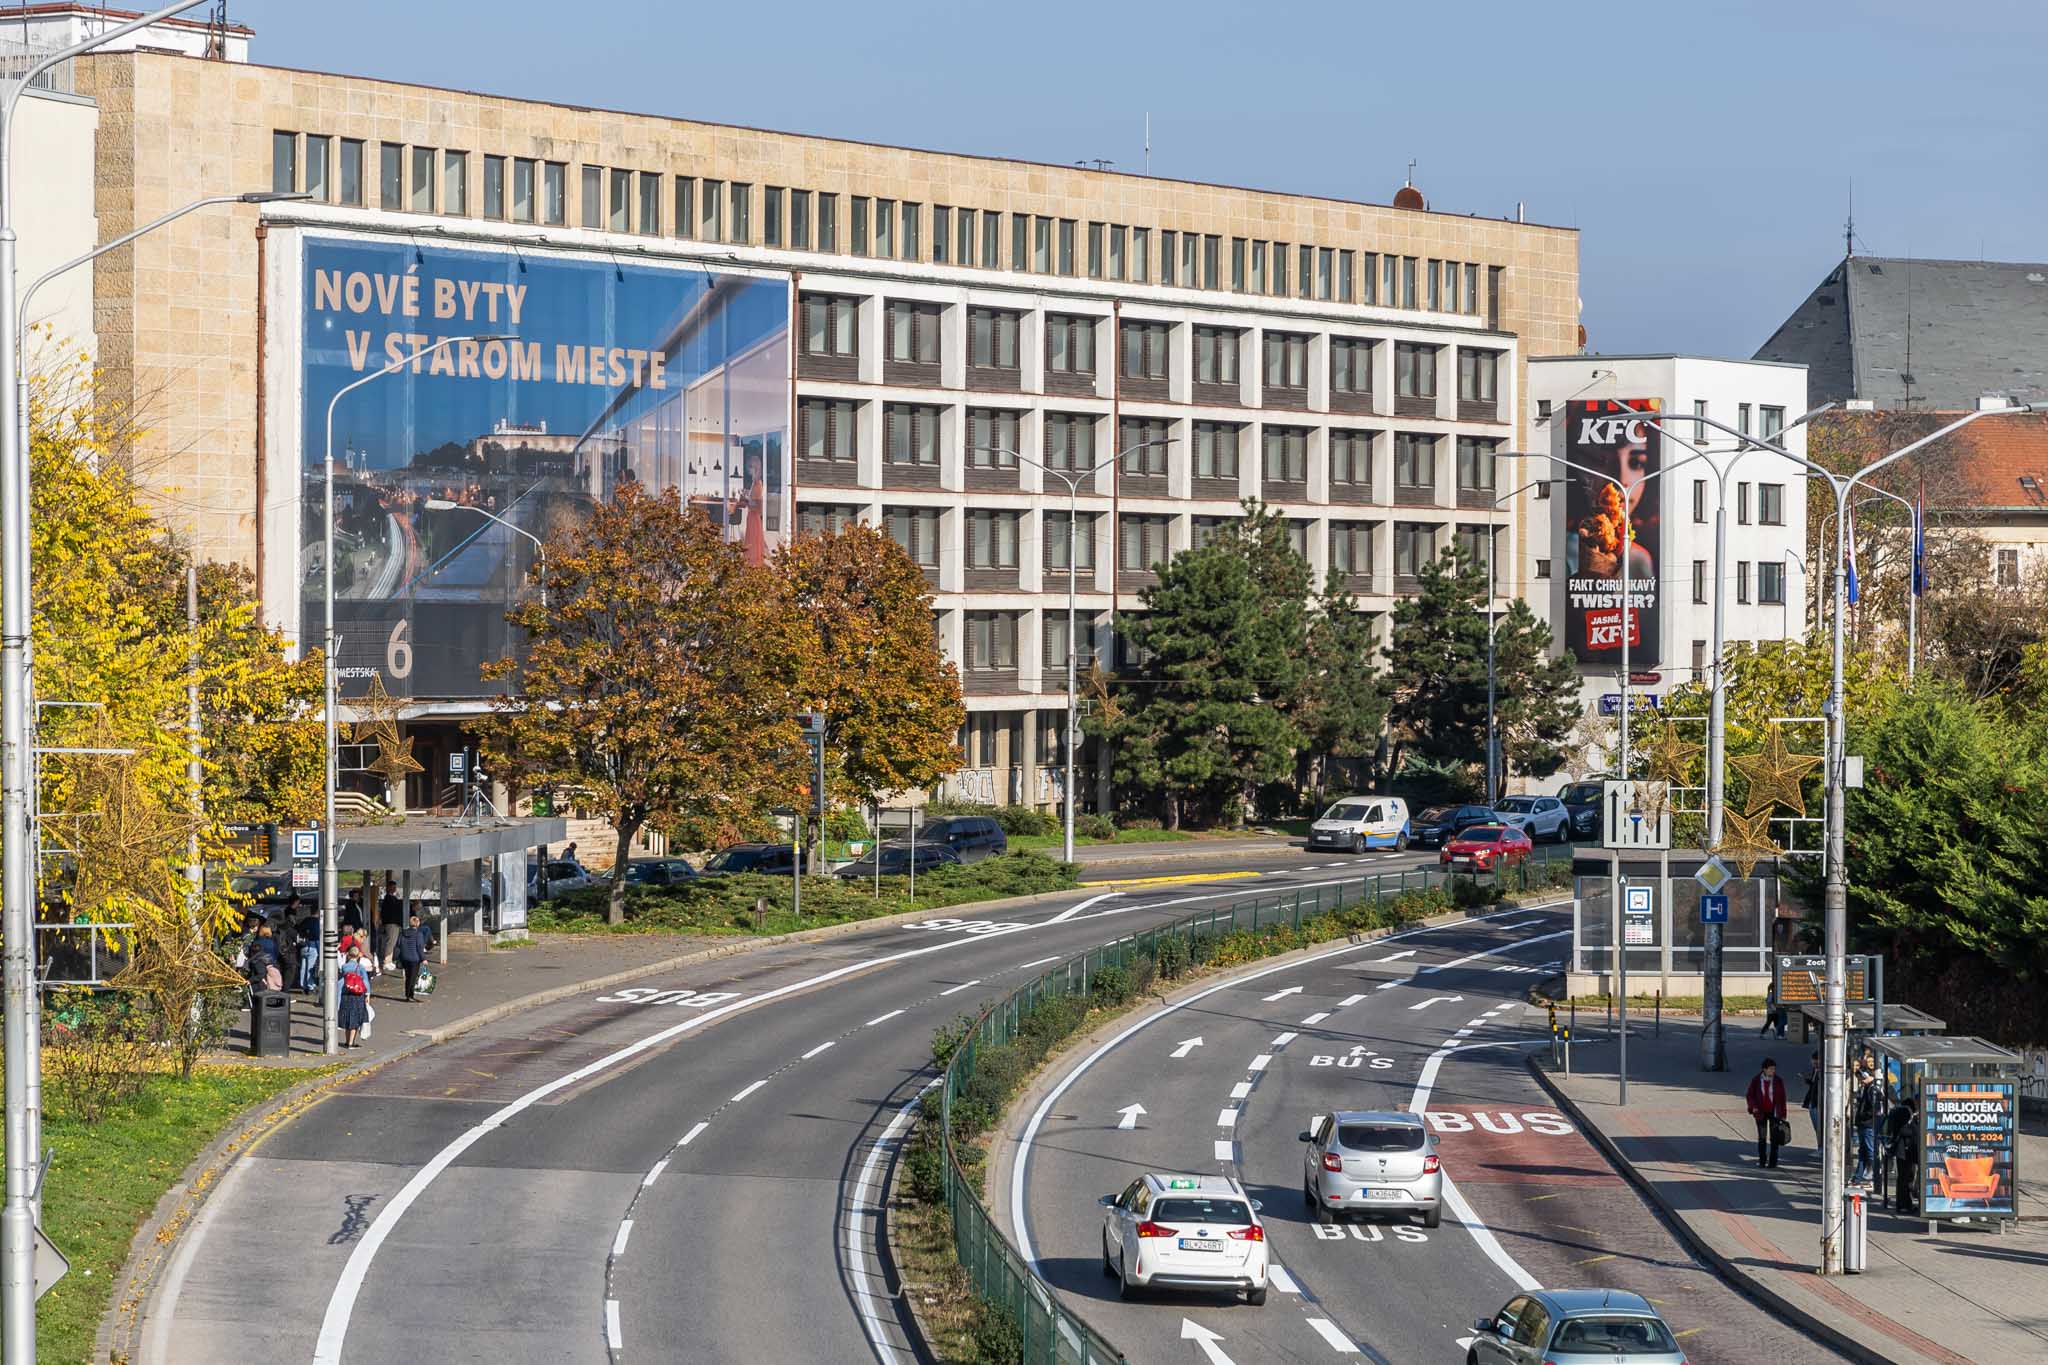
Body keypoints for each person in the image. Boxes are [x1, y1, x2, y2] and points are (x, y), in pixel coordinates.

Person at [1746, 1056, 1788, 1168]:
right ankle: (1762, 1160)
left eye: (1774, 1069)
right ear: (1764, 1069)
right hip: (1760, 1112)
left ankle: (1773, 1161)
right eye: (1771, 1069)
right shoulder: (1756, 1080)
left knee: (1774, 1138)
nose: (1773, 1071)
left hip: (1774, 1112)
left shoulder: (1778, 1081)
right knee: (1762, 1137)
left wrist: (1783, 1114)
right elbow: (1750, 1095)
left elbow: (1783, 1098)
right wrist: (1753, 1107)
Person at [1851, 1062, 1886, 1185]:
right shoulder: (1867, 1088)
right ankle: (1858, 1177)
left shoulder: (1873, 1089)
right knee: (1863, 1152)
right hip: (1864, 1124)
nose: (1860, 1081)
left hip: (1868, 1124)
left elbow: (1875, 1108)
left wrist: (1864, 1115)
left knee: (1870, 1152)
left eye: (1861, 1078)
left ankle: (1875, 1177)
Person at [1886, 1092, 1920, 1213]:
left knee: (1905, 1177)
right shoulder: (1907, 1113)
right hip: (1905, 1150)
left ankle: (1904, 1203)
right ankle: (1904, 1204)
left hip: (1904, 1150)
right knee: (1906, 1177)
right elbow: (1903, 1130)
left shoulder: (1901, 1110)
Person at [337, 944, 373, 1049]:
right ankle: (351, 1043)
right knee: (356, 1019)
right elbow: (365, 982)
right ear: (358, 956)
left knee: (348, 1018)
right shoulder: (360, 967)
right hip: (357, 995)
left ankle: (347, 1041)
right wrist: (367, 994)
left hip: (346, 994)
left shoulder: (344, 967)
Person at [395, 913, 434, 1002]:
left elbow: (398, 945)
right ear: (417, 923)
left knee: (408, 977)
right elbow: (419, 948)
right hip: (414, 959)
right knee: (413, 977)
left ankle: (408, 995)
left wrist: (398, 957)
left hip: (405, 958)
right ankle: (410, 995)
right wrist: (423, 958)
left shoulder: (402, 933)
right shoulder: (418, 934)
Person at [378, 879, 404, 971]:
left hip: (394, 923)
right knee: (390, 942)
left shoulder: (392, 898)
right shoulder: (388, 898)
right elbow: (387, 912)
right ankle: (386, 961)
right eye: (392, 887)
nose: (394, 889)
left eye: (394, 887)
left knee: (392, 942)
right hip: (391, 923)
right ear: (388, 888)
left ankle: (389, 960)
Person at [1800, 1050, 1823, 1150]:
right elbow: (1813, 1084)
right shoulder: (1816, 1070)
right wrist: (1808, 1080)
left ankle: (1821, 1147)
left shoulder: (1822, 1072)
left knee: (1819, 1128)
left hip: (1817, 1103)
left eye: (1815, 1063)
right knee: (1816, 1128)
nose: (1814, 1065)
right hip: (1812, 1102)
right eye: (1813, 1062)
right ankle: (1820, 1147)